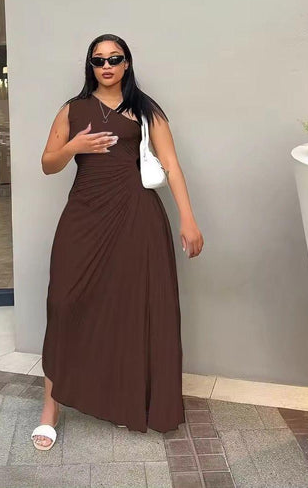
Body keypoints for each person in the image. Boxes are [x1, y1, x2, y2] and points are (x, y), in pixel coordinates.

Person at [32, 34, 204, 451]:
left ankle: (128, 399)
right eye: (99, 60)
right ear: (90, 66)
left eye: (115, 58)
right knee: (63, 305)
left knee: (131, 307)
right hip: (84, 216)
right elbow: (48, 164)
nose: (107, 66)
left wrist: (188, 218)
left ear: (127, 63)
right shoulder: (72, 110)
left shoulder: (146, 110)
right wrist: (74, 146)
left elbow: (171, 164)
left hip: (136, 217)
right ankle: (50, 409)